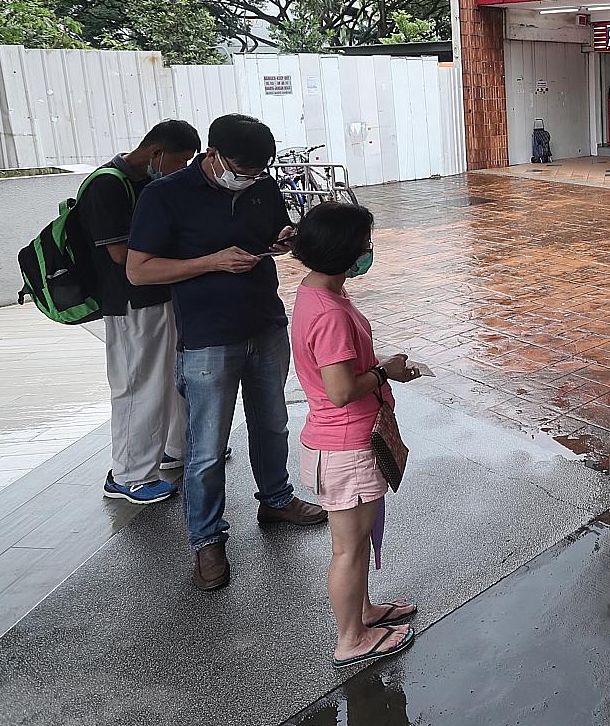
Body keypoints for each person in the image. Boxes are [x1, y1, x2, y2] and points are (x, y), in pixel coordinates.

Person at [127, 113, 325, 592]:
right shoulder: (165, 195)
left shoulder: (262, 186)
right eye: (241, 169)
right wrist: (212, 262)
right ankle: (207, 540)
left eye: (258, 173)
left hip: (265, 323)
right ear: (211, 156)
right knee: (207, 446)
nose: (250, 179)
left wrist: (285, 240)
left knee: (273, 423)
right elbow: (139, 271)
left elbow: (274, 232)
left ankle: (275, 498)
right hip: (208, 337)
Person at [290, 201, 423, 668]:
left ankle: (363, 612)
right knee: (347, 547)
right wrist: (384, 372)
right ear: (345, 252)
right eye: (364, 244)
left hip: (338, 440)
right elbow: (341, 388)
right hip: (345, 444)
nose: (368, 250)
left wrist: (380, 371)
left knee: (358, 539)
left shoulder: (315, 293)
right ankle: (350, 638)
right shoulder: (329, 313)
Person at [78, 119, 202, 504]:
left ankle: (176, 448)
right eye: (180, 161)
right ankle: (130, 475)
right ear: (156, 154)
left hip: (159, 295)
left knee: (167, 378)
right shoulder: (106, 185)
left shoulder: (142, 181)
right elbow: (119, 253)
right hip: (130, 302)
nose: (181, 169)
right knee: (137, 385)